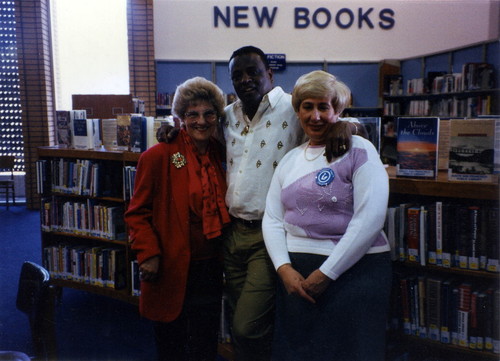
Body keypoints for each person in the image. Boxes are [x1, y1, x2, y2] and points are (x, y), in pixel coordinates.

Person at [262, 70, 392, 361]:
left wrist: (326, 274)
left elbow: (369, 218)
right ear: (298, 110)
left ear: (337, 110)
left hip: (355, 270)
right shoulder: (290, 159)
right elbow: (272, 218)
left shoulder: (359, 149)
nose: (315, 115)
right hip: (296, 276)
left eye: (324, 106)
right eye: (308, 106)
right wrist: (284, 269)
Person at [124, 77, 230, 361]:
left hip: (210, 268)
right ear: (181, 118)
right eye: (192, 114)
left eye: (209, 114)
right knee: (172, 344)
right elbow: (137, 213)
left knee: (205, 343)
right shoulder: (160, 156)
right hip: (171, 265)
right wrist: (148, 254)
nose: (201, 121)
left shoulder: (223, 154)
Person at [221, 45, 304, 361]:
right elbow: (193, 131)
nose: (245, 80)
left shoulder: (293, 109)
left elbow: (330, 117)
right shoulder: (228, 115)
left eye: (252, 71)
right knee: (238, 321)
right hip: (232, 233)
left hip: (268, 236)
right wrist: (172, 127)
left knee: (247, 325)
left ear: (269, 74)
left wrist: (349, 129)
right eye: (237, 75)